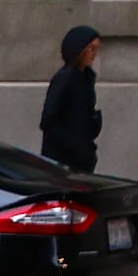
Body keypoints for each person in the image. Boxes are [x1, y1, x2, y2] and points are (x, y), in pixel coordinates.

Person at [40, 25, 104, 173]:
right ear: (79, 50)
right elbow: (48, 120)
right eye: (91, 49)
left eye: (96, 49)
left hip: (82, 159)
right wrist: (72, 145)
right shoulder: (65, 78)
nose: (94, 54)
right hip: (63, 161)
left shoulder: (86, 77)